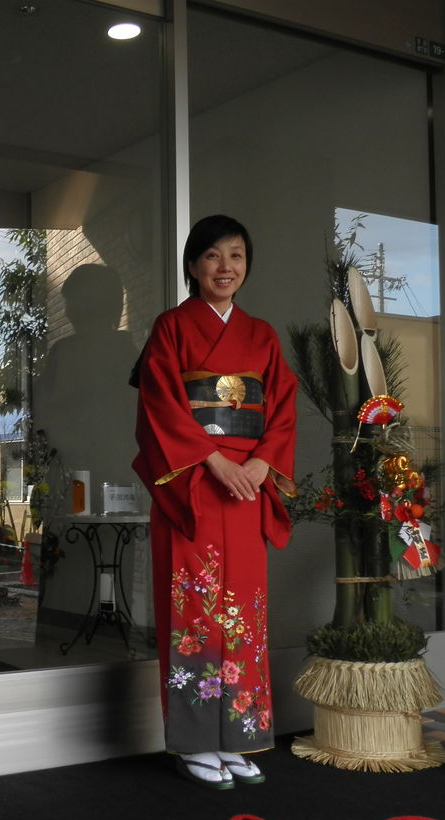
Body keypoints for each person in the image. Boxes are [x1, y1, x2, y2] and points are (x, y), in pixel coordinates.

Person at [132, 214, 297, 789]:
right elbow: (160, 405)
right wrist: (213, 459)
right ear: (192, 265)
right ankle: (196, 740)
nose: (225, 267)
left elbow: (281, 408)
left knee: (243, 607)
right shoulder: (171, 327)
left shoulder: (262, 335)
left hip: (247, 484)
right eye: (212, 256)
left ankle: (239, 734)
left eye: (236, 255)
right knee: (195, 608)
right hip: (195, 483)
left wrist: (261, 462)